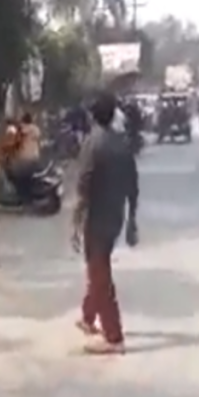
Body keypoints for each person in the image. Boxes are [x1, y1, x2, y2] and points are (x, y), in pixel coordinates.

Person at [71, 93, 139, 355]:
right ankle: (88, 317)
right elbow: (133, 185)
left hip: (96, 217)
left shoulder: (93, 143)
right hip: (116, 216)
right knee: (98, 267)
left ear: (92, 115)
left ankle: (113, 336)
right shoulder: (122, 143)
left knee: (99, 274)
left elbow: (84, 185)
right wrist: (132, 221)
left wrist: (76, 221)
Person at [5, 113, 42, 203]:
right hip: (35, 158)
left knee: (13, 173)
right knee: (26, 177)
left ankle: (20, 196)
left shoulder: (21, 130)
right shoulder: (36, 130)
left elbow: (13, 143)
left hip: (24, 159)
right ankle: (27, 196)